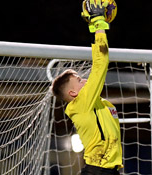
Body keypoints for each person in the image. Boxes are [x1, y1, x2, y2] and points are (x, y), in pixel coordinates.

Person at [51, 0, 122, 174]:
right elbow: (101, 62)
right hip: (97, 170)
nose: (85, 80)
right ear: (73, 93)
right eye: (79, 80)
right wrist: (99, 24)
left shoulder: (101, 104)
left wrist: (92, 27)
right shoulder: (80, 104)